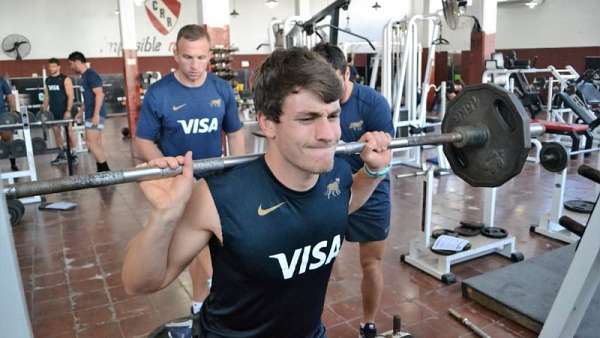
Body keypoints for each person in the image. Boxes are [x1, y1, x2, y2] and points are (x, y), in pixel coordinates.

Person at [122, 47, 392, 338]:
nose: (328, 134)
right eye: (307, 118)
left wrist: (374, 172)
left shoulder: (336, 175)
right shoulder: (219, 197)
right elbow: (140, 283)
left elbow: (346, 203)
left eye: (333, 115)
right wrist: (165, 215)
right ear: (267, 124)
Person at [134, 24, 246, 320]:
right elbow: (142, 139)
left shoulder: (221, 90)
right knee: (202, 246)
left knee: (208, 242)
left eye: (200, 57)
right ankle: (220, 300)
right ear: (175, 54)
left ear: (210, 54)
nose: (195, 65)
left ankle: (199, 304)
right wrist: (167, 172)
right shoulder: (159, 94)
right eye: (187, 57)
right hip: (181, 184)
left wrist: (240, 168)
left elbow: (235, 132)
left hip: (216, 181)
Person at [313, 42, 393, 338]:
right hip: (325, 189)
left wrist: (367, 176)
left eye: (332, 79)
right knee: (315, 263)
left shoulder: (373, 104)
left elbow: (385, 156)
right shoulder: (315, 102)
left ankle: (368, 324)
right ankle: (309, 322)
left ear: (347, 73)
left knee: (371, 261)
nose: (325, 88)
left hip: (371, 187)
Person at [67, 51, 110, 172]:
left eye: (71, 64)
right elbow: (88, 99)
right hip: (90, 113)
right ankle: (101, 170)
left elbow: (99, 95)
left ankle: (105, 171)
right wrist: (81, 112)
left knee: (91, 143)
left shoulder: (91, 74)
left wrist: (96, 115)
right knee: (95, 143)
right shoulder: (84, 76)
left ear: (77, 61)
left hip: (95, 114)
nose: (71, 67)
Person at [42, 57, 77, 165]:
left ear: (58, 67)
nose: (51, 68)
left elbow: (71, 96)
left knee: (69, 133)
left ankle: (73, 154)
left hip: (65, 110)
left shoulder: (65, 79)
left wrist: (68, 110)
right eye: (50, 66)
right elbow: (47, 96)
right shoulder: (48, 80)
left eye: (53, 66)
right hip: (53, 111)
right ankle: (62, 154)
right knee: (56, 133)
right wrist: (44, 110)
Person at [0, 75, 18, 171]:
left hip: (2, 115)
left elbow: (10, 95)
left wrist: (14, 111)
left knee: (8, 139)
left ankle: (13, 164)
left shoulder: (1, 80)